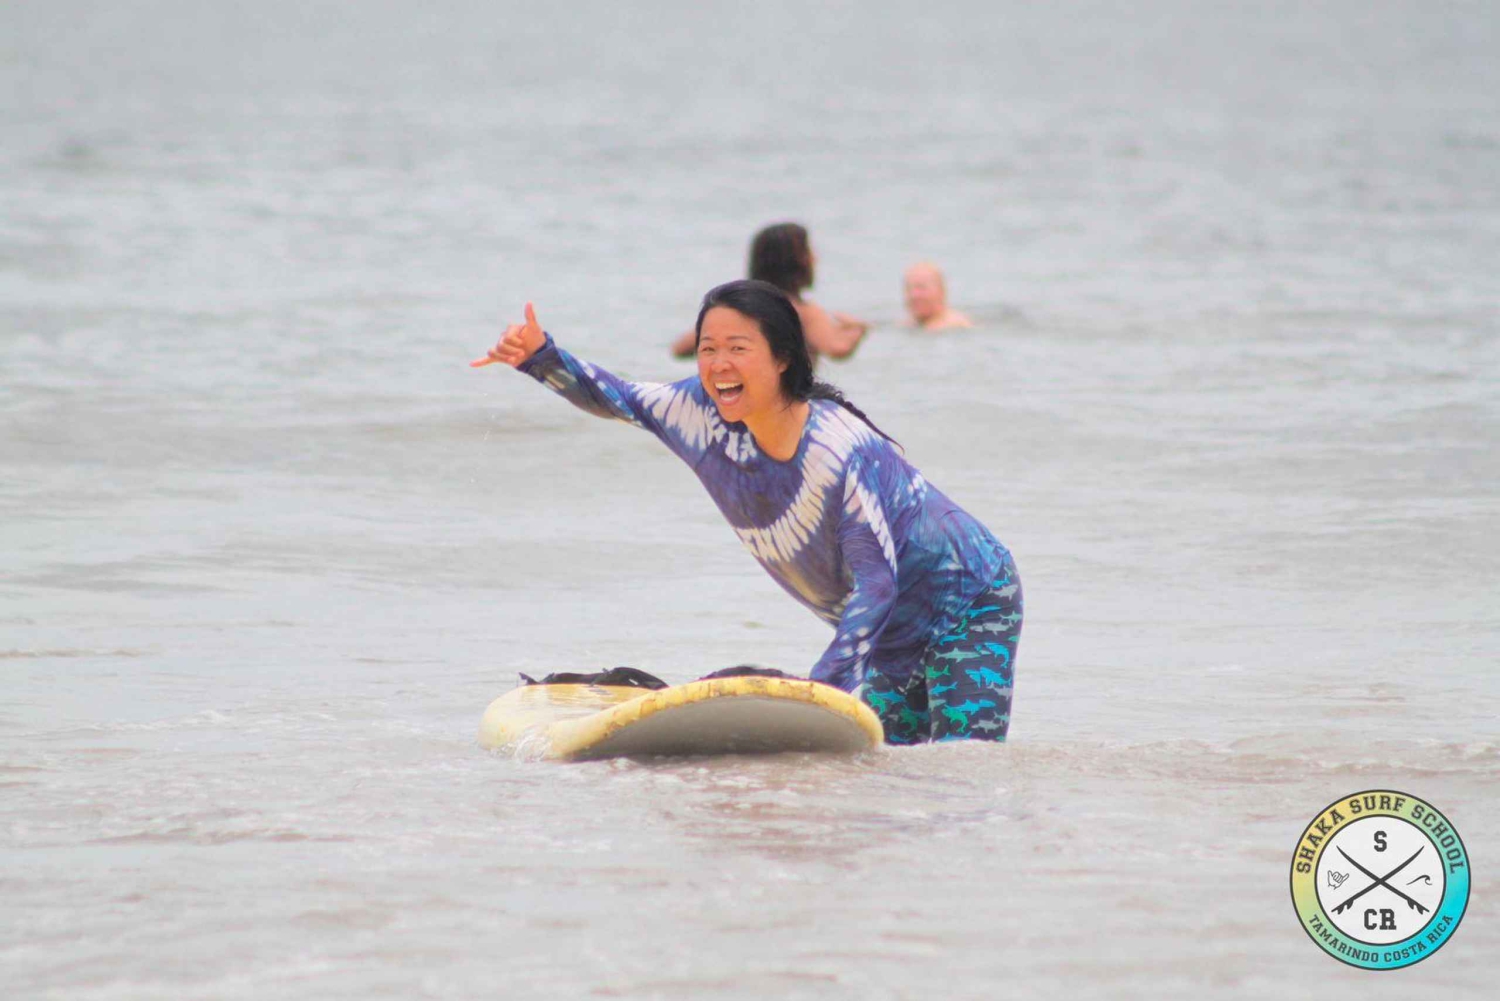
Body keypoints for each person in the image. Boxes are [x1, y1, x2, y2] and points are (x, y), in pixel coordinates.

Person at [474, 280, 1022, 744]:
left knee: (961, 765)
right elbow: (614, 397)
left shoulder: (838, 450)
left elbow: (876, 583)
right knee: (890, 771)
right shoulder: (695, 412)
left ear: (783, 358)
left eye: (738, 348)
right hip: (887, 632)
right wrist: (540, 356)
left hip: (968, 600)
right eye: (708, 348)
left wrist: (819, 696)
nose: (718, 364)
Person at [671, 223, 868, 362]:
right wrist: (856, 330)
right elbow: (836, 349)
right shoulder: (803, 312)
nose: (815, 258)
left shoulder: (738, 306)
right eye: (809, 251)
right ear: (798, 262)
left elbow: (681, 349)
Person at [903, 262, 972, 330]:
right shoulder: (908, 324)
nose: (914, 295)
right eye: (909, 288)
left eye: (921, 288)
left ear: (941, 291)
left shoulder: (955, 326)